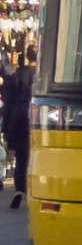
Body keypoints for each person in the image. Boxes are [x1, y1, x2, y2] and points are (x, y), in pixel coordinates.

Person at [2, 49, 32, 211]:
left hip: (16, 126)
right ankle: (32, 191)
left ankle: (19, 189)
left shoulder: (13, 84)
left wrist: (6, 131)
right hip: (32, 126)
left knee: (20, 161)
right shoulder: (34, 85)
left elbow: (7, 109)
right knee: (32, 160)